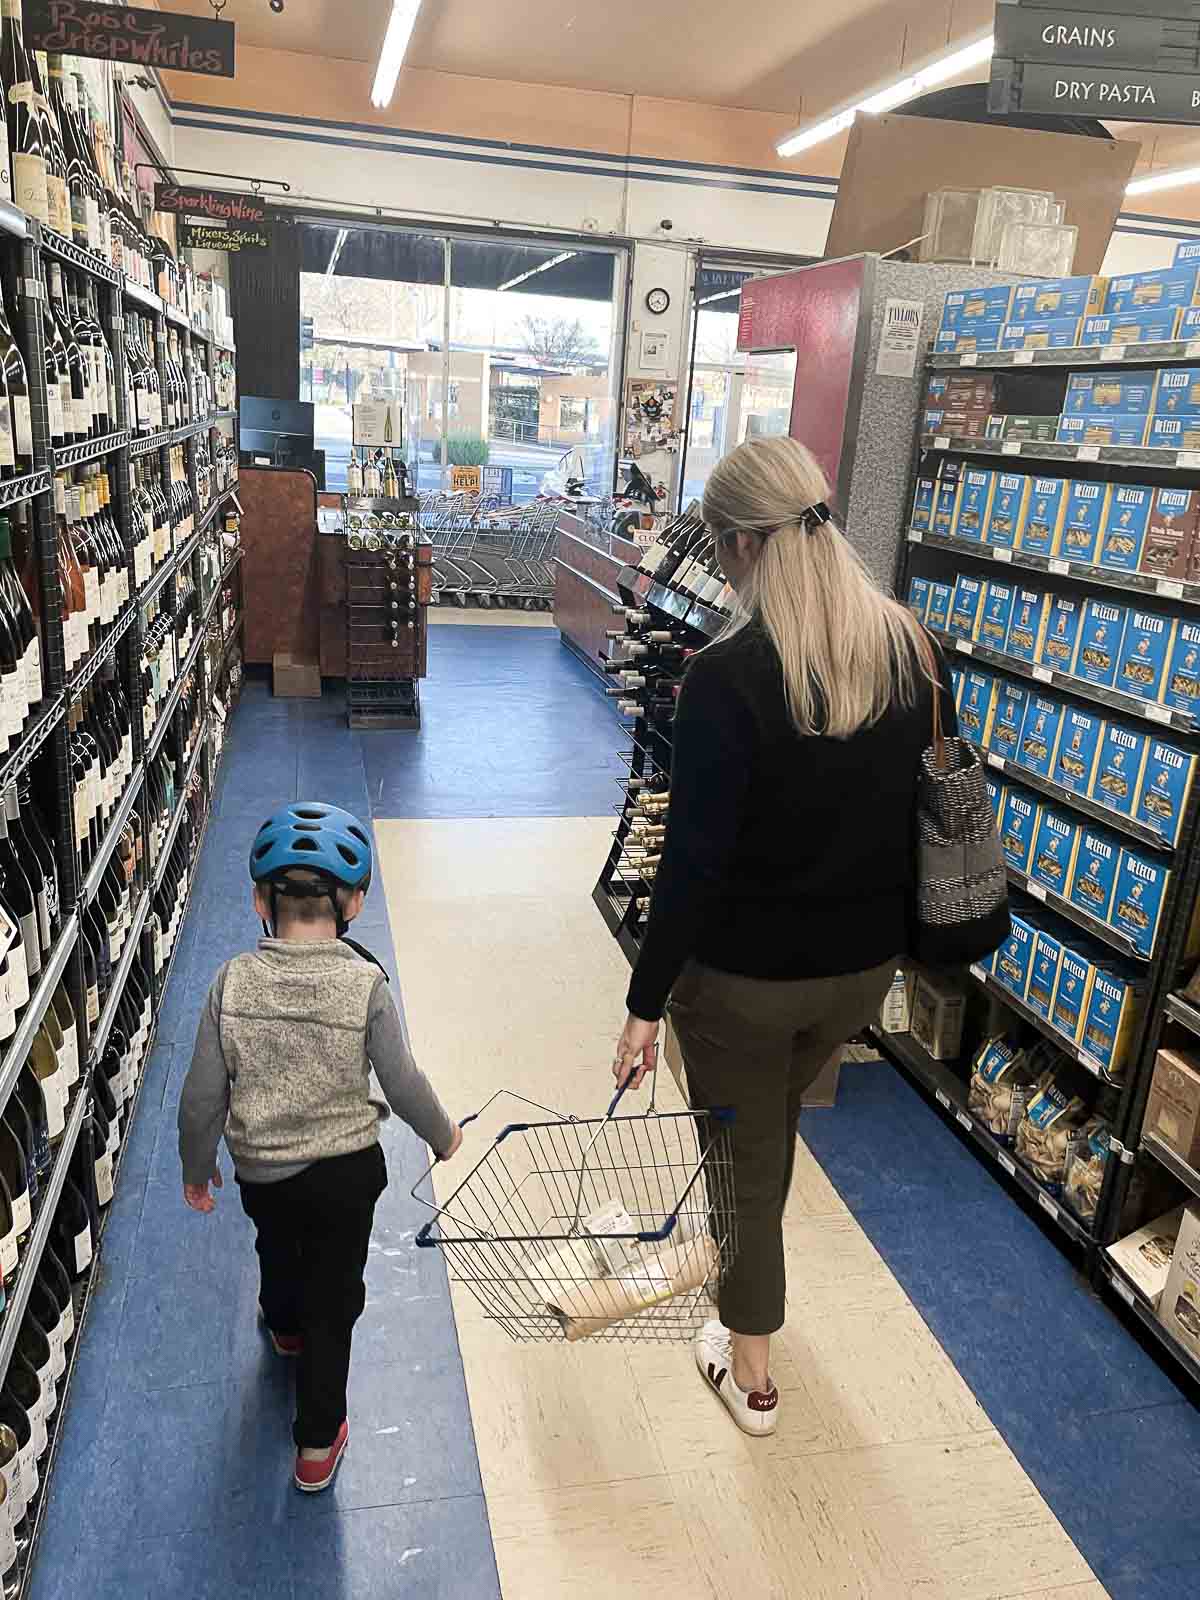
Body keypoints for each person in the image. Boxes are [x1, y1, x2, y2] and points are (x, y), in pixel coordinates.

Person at [612, 436, 956, 1438]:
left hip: (743, 984)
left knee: (740, 1165)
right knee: (767, 1134)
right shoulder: (911, 649)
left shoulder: (727, 677)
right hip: (859, 975)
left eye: (721, 551)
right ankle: (746, 1249)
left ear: (745, 546)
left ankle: (752, 1372)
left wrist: (643, 1003)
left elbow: (694, 865)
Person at [177, 802, 460, 1492]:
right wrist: (444, 1135)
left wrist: (197, 1168)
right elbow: (403, 1081)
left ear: (259, 901)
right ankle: (315, 1445)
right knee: (337, 1298)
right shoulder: (366, 985)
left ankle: (283, 1326)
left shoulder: (230, 985)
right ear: (354, 901)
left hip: (263, 1170)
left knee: (276, 1246)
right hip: (345, 1176)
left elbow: (200, 1095)